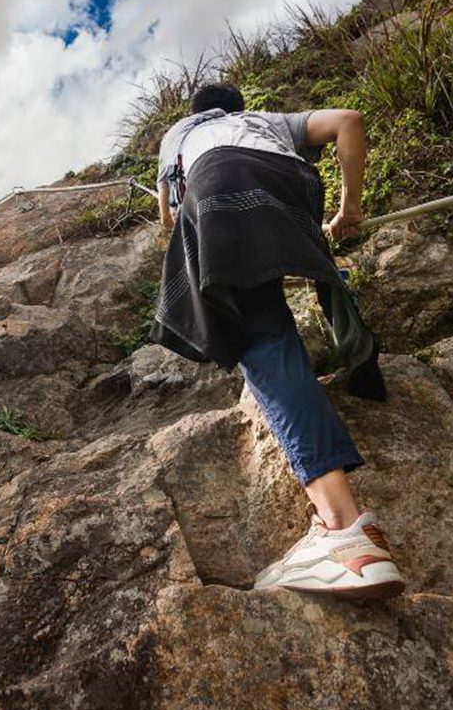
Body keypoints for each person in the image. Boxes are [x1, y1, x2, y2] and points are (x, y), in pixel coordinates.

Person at [151, 82, 402, 600]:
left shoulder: (177, 136)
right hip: (290, 183)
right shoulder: (267, 121)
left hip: (215, 184)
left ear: (192, 112)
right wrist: (350, 208)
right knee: (310, 276)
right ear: (240, 108)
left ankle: (343, 534)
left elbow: (169, 219)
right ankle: (356, 353)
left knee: (260, 332)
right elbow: (348, 119)